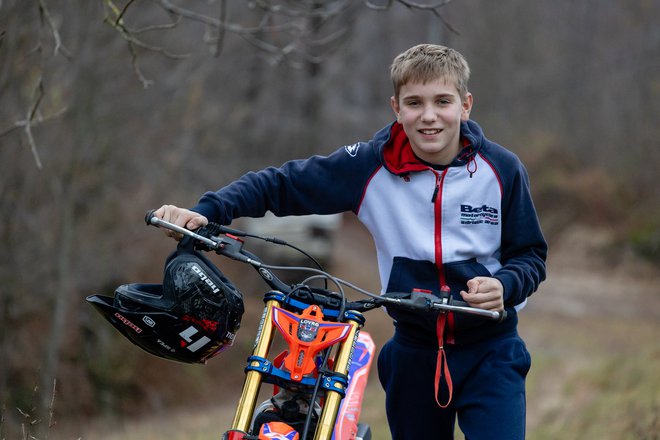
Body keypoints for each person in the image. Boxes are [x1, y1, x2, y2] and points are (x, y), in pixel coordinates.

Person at [154, 43, 547, 439]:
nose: (429, 116)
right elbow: (283, 184)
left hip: (492, 352)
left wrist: (505, 285)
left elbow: (530, 255)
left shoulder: (502, 170)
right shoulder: (369, 166)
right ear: (396, 108)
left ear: (465, 105)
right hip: (413, 355)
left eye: (442, 101)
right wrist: (208, 210)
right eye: (414, 103)